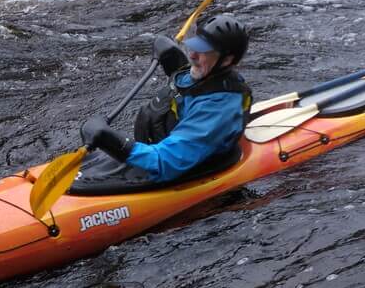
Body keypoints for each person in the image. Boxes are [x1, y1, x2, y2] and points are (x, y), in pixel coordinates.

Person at [79, 14, 252, 184]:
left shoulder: (218, 109)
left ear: (227, 60)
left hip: (174, 165)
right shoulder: (207, 75)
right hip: (164, 146)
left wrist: (113, 141)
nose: (192, 55)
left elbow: (166, 162)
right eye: (194, 46)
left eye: (203, 51)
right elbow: (188, 89)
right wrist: (174, 61)